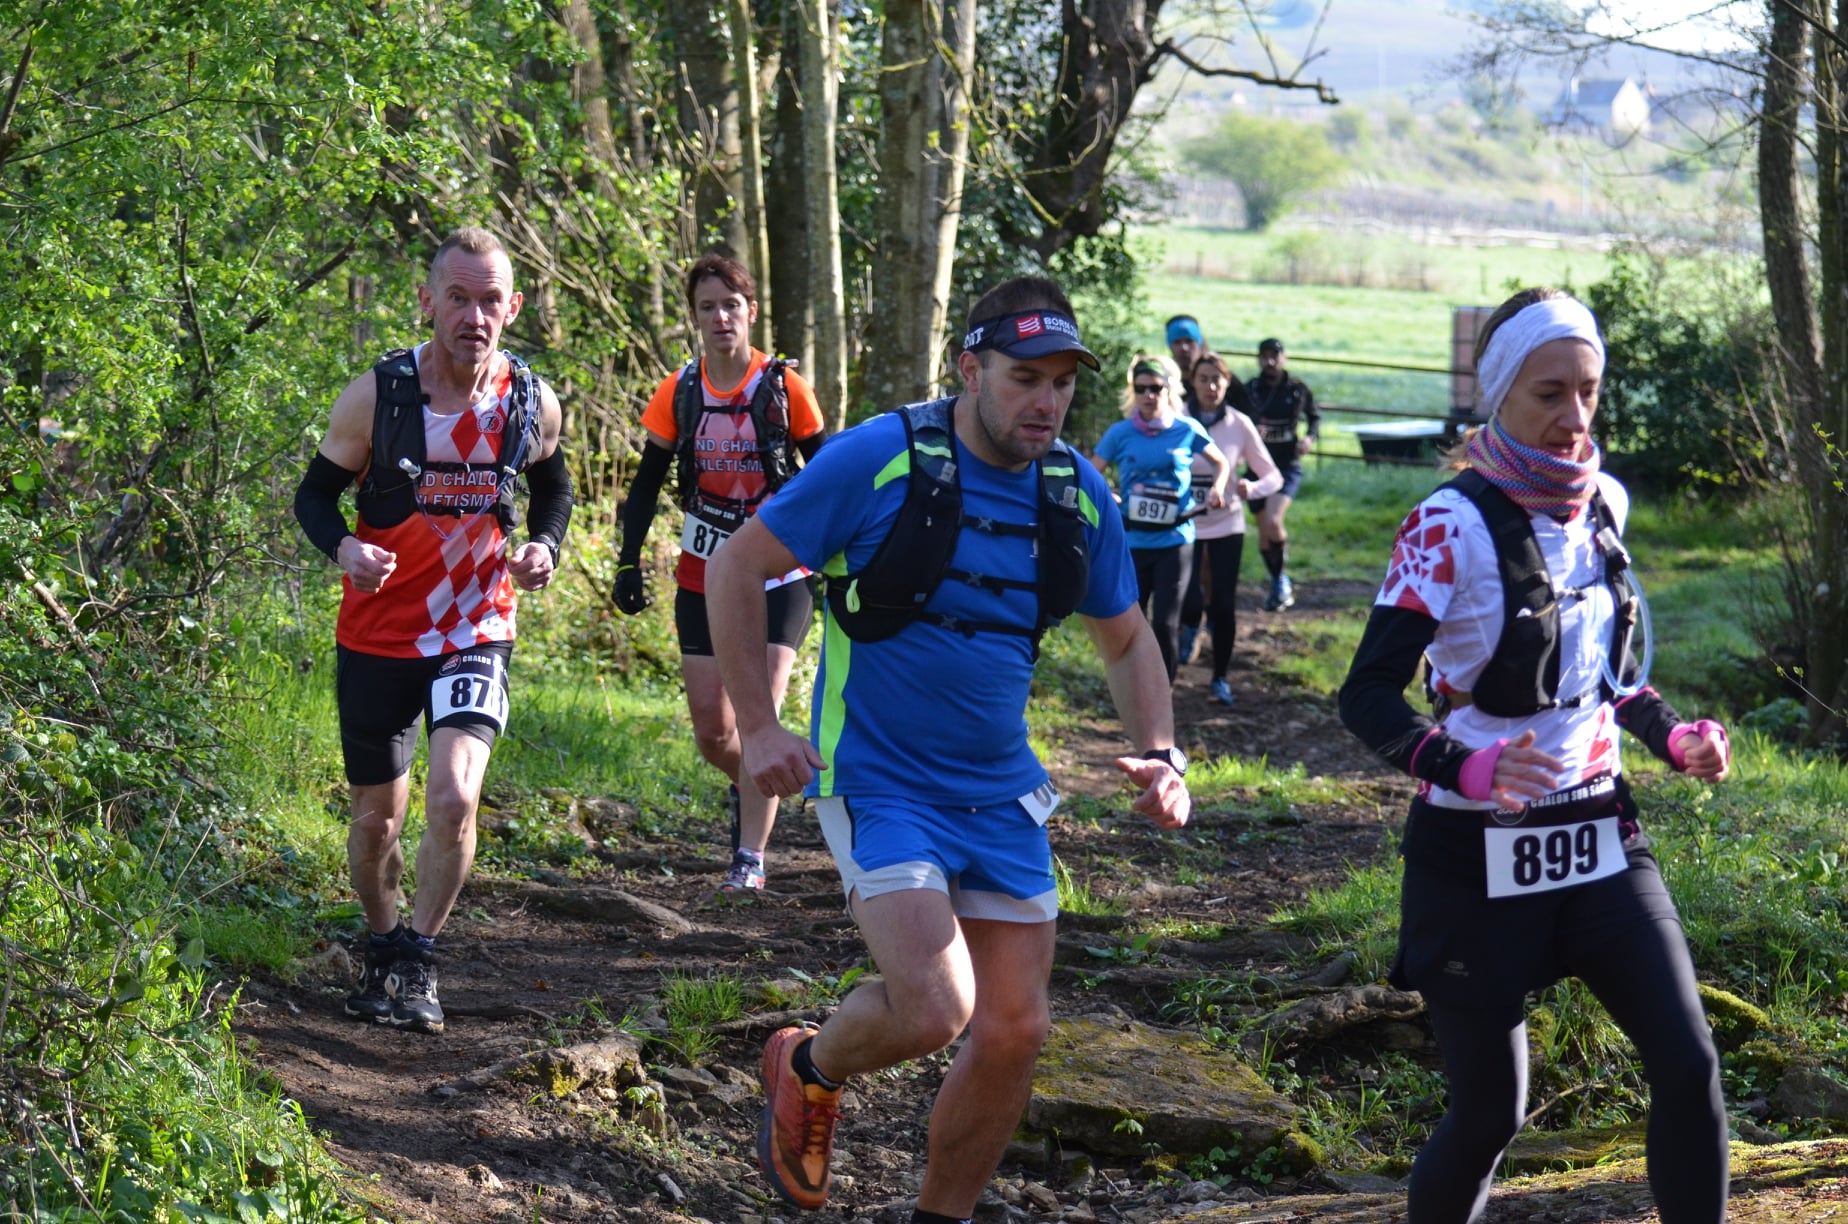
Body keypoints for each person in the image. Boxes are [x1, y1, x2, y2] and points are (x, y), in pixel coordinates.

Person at [704, 276, 1193, 1222]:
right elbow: (738, 565)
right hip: (878, 780)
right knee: (935, 1006)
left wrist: (1162, 754)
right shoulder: (880, 458)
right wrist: (759, 725)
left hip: (1001, 792)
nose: (1046, 402)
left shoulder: (1075, 493)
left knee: (1015, 1029)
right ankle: (807, 1066)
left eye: (1061, 383)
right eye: (1024, 378)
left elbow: (1127, 638)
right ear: (970, 370)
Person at [1337, 288, 1732, 1224]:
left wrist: (1674, 736)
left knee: (1689, 1066)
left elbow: (1605, 681)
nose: (1574, 416)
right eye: (1549, 394)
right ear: (1501, 395)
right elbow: (1366, 695)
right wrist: (1463, 767)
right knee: (1491, 1113)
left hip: (1600, 837)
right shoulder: (1446, 524)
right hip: (1475, 854)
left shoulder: (1606, 504)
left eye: (1588, 391)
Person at [292, 227, 573, 1034]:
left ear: (512, 308)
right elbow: (314, 497)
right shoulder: (378, 396)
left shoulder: (530, 399)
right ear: (428, 302)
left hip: (476, 625)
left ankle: (420, 954)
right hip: (379, 633)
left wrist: (544, 547)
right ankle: (382, 944)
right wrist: (345, 548)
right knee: (376, 821)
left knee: (453, 795)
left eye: (490, 301)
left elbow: (554, 489)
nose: (473, 317)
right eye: (458, 298)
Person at [610, 253, 826, 894]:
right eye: (708, 307)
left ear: (750, 312)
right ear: (695, 316)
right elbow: (645, 486)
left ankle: (748, 859)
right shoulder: (679, 391)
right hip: (702, 574)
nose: (721, 318)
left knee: (761, 715)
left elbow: (830, 478)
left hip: (780, 576)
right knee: (714, 731)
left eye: (731, 306)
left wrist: (842, 563)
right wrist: (627, 561)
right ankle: (758, 778)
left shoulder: (785, 388)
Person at [1092, 353, 1230, 684]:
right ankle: (1131, 684)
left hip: (1175, 540)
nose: (1148, 395)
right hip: (1133, 541)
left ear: (1168, 390)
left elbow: (1221, 462)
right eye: (1141, 389)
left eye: (1155, 388)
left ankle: (1163, 689)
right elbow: (1092, 472)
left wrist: (1217, 488)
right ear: (1133, 393)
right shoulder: (1120, 433)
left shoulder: (1187, 429)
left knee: (1166, 623)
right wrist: (1106, 494)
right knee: (1130, 620)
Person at [1177, 352, 1283, 704]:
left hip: (1227, 523)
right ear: (1192, 382)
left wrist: (1252, 488)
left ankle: (1220, 678)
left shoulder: (1239, 424)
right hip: (1184, 523)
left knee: (1223, 604)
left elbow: (1273, 476)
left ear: (1226, 383)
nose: (1210, 386)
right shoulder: (1176, 418)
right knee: (1187, 598)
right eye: (1203, 379)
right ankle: (1188, 629)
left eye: (1216, 380)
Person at [1244, 337, 1318, 611]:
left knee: (1274, 520)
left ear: (1284, 358)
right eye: (1265, 356)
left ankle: (1281, 580)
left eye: (1274, 356)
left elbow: (1315, 417)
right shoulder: (1251, 390)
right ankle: (1277, 582)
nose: (1270, 361)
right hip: (1257, 468)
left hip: (1287, 466)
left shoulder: (1297, 390)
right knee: (1264, 531)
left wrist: (1309, 438)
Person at [1164, 314, 1251, 418]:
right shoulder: (1162, 381)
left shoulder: (1221, 377)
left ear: (1199, 343)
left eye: (1189, 341)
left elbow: (1249, 413)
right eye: (1177, 342)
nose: (1184, 348)